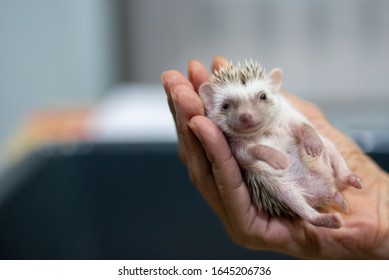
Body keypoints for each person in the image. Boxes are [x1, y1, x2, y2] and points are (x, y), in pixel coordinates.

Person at [161, 56, 389, 259]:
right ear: (209, 104)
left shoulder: (282, 109)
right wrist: (263, 152)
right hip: (289, 182)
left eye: (260, 97)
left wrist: (307, 132)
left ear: (274, 88)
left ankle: (345, 174)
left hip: (314, 168)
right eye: (228, 105)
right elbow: (245, 154)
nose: (246, 114)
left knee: (324, 140)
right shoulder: (233, 138)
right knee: (268, 177)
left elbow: (297, 123)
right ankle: (311, 215)